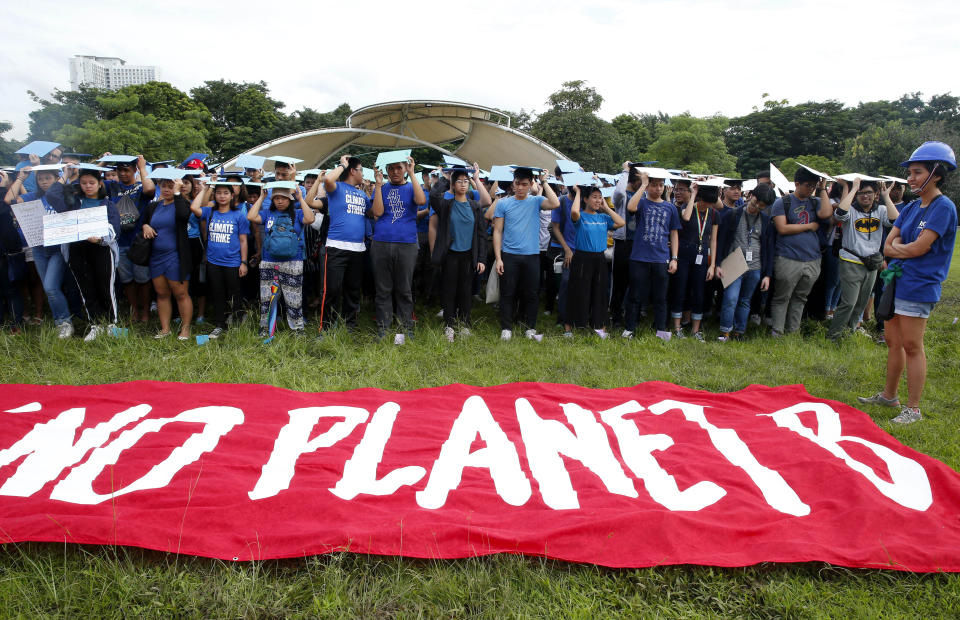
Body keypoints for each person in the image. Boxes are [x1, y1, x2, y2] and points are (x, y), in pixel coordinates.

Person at [859, 141, 957, 424]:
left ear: (936, 173)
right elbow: (888, 244)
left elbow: (918, 248)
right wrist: (904, 247)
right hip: (897, 281)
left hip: (920, 285)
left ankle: (913, 408)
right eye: (910, 172)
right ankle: (890, 396)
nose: (910, 178)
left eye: (916, 172)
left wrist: (903, 247)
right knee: (893, 341)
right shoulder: (913, 207)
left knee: (913, 345)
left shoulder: (944, 207)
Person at [53, 165, 122, 340]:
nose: (88, 186)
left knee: (105, 287)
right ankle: (95, 324)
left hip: (101, 250)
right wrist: (66, 174)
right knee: (86, 289)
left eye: (92, 182)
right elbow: (52, 195)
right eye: (84, 183)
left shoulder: (107, 204)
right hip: (78, 250)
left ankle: (111, 323)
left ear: (100, 184)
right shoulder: (73, 203)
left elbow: (115, 230)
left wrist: (99, 239)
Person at [4, 165, 75, 337]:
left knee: (51, 287)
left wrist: (65, 175)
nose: (44, 182)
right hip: (39, 249)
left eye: (48, 178)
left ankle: (65, 322)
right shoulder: (33, 197)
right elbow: (8, 200)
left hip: (58, 249)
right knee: (49, 287)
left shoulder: (62, 197)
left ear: (56, 178)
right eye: (40, 179)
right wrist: (21, 178)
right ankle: (61, 321)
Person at [493, 166, 560, 341]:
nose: (520, 188)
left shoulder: (536, 201)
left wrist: (544, 181)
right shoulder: (503, 203)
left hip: (532, 255)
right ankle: (506, 327)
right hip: (509, 255)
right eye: (517, 184)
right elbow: (497, 231)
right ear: (513, 184)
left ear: (531, 184)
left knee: (531, 293)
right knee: (508, 292)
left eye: (524, 184)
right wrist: (498, 258)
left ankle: (530, 327)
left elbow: (555, 204)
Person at [827, 178, 898, 340]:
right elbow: (839, 215)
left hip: (871, 263)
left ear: (875, 194)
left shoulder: (880, 210)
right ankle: (834, 336)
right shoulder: (850, 210)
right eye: (861, 193)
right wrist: (853, 190)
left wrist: (887, 197)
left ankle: (849, 332)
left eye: (868, 193)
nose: (865, 196)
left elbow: (896, 221)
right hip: (851, 260)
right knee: (849, 302)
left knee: (861, 303)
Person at [768, 166, 833, 335]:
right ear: (797, 184)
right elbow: (782, 228)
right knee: (782, 296)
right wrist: (809, 226)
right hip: (787, 257)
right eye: (808, 185)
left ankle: (793, 331)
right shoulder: (782, 202)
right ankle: (777, 331)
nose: (811, 189)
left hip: (812, 259)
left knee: (801, 297)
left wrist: (822, 188)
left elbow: (826, 214)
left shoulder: (815, 201)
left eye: (813, 185)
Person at [428, 166, 491, 341]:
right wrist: (444, 178)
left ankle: (464, 324)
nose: (463, 185)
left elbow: (481, 234)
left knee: (465, 291)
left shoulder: (474, 206)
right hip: (450, 255)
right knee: (449, 290)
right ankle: (449, 325)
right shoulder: (446, 205)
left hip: (468, 255)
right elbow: (433, 196)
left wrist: (481, 258)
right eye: (459, 181)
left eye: (465, 181)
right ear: (453, 185)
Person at [370, 156, 426, 344]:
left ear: (405, 169)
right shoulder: (382, 188)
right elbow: (377, 212)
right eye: (391, 168)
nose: (395, 172)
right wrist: (378, 186)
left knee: (404, 288)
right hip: (381, 242)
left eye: (399, 168)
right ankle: (383, 328)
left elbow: (421, 200)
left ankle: (405, 328)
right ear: (386, 170)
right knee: (383, 288)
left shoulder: (411, 186)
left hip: (407, 243)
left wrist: (412, 174)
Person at [247, 182, 314, 336]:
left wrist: (300, 198)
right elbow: (251, 216)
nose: (279, 201)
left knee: (294, 297)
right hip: (269, 261)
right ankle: (265, 327)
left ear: (290, 199)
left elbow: (310, 219)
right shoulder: (268, 214)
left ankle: (297, 329)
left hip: (293, 261)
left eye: (283, 198)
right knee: (267, 297)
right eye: (276, 198)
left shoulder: (297, 213)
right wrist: (262, 197)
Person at [623, 170, 681, 339]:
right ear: (649, 186)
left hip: (661, 258)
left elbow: (674, 234)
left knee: (660, 297)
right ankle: (630, 328)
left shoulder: (670, 207)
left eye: (661, 185)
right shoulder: (641, 203)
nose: (658, 189)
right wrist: (643, 185)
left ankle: (661, 330)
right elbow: (630, 207)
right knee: (634, 294)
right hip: (639, 257)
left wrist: (674, 258)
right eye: (654, 185)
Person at [716, 184, 777, 341]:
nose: (756, 207)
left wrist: (767, 275)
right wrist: (717, 264)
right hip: (734, 262)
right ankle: (725, 332)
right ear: (751, 195)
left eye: (761, 206)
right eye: (755, 202)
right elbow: (721, 241)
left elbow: (769, 249)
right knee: (730, 298)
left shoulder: (766, 220)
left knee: (745, 300)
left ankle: (739, 332)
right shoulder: (733, 214)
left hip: (755, 266)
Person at [190, 178, 249, 339]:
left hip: (233, 261)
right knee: (217, 293)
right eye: (219, 193)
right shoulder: (210, 212)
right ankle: (219, 324)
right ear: (215, 195)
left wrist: (243, 262)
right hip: (213, 261)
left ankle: (236, 320)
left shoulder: (239, 216)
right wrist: (206, 188)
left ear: (232, 196)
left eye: (226, 193)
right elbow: (194, 207)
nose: (222, 196)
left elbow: (243, 240)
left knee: (234, 293)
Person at [318, 156, 370, 332]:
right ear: (353, 171)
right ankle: (326, 329)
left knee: (353, 291)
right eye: (361, 169)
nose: (363, 173)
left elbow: (375, 212)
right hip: (336, 247)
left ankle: (350, 327)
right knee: (332, 290)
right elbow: (328, 179)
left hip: (358, 249)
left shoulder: (363, 194)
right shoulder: (336, 188)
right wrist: (343, 165)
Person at [102, 155, 155, 324]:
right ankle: (134, 312)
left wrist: (143, 167)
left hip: (138, 241)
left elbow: (150, 191)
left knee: (143, 280)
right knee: (127, 280)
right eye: (119, 170)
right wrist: (103, 162)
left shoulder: (140, 187)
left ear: (133, 170)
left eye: (126, 170)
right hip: (120, 242)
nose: (123, 174)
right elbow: (93, 178)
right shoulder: (112, 187)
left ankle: (145, 313)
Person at [565, 184, 624, 336]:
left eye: (600, 197)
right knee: (579, 292)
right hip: (582, 258)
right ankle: (571, 326)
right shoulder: (581, 216)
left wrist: (606, 208)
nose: (598, 200)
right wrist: (578, 192)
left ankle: (599, 326)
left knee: (599, 293)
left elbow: (621, 223)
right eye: (595, 197)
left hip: (599, 259)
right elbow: (573, 211)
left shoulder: (603, 217)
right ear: (586, 199)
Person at [141, 173, 193, 340]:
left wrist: (178, 193)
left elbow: (184, 216)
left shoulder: (182, 203)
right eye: (164, 186)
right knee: (162, 293)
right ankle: (165, 329)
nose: (167, 189)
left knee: (181, 293)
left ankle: (185, 329)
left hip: (176, 255)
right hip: (156, 256)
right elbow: (145, 221)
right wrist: (145, 226)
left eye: (171, 186)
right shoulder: (153, 206)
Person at [670, 181, 717, 341]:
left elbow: (713, 240)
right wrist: (694, 194)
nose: (706, 206)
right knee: (680, 290)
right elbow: (686, 217)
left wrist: (712, 265)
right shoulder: (687, 207)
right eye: (704, 203)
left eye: (709, 204)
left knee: (698, 292)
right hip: (684, 254)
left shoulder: (714, 213)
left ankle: (695, 330)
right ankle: (677, 327)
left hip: (702, 256)